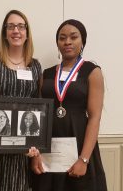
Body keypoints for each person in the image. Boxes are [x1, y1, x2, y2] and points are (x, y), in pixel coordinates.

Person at [31, 19, 107, 190]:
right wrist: (36, 154)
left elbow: (95, 118)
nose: (67, 42)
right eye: (62, 38)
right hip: (49, 151)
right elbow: (39, 116)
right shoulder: (47, 73)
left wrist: (84, 159)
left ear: (82, 41)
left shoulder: (92, 71)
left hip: (80, 147)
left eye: (73, 37)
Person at [0, 10, 42, 191]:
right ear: (5, 33)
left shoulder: (35, 65)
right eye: (11, 26)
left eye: (21, 26)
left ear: (27, 33)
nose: (16, 30)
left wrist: (36, 147)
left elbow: (38, 106)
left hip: (23, 145)